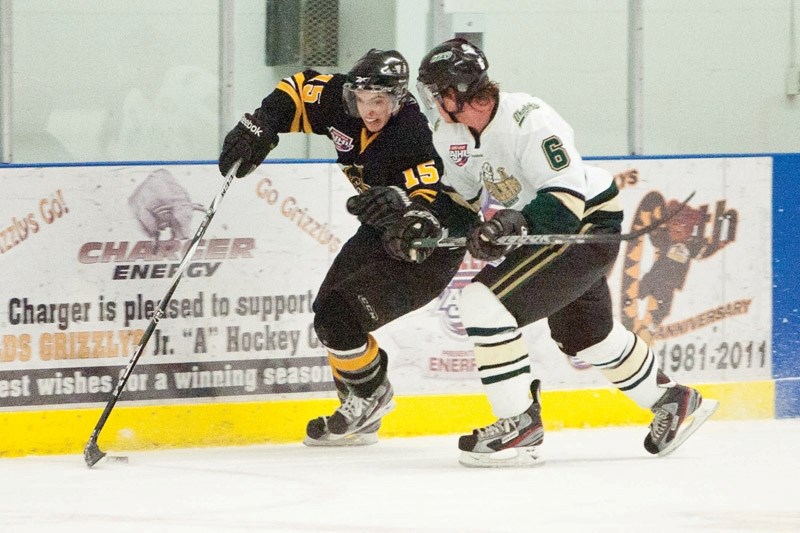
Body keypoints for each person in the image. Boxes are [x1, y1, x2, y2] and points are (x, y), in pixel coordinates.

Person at [416, 38, 718, 467]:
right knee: (585, 336)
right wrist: (423, 222)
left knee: (482, 301)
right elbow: (457, 199)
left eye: (435, 92)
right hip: (554, 225)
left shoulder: (529, 119)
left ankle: (518, 423)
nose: (432, 102)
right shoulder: (450, 133)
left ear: (458, 92)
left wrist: (509, 223)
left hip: (584, 224)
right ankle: (673, 400)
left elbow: (564, 202)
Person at [218, 49, 478, 446]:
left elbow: (425, 194)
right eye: (363, 100)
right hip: (379, 229)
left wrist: (408, 207)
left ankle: (371, 398)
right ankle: (361, 408)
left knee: (341, 318)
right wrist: (260, 126)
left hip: (426, 242)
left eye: (381, 102)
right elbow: (300, 88)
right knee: (327, 315)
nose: (371, 111)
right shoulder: (340, 101)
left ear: (399, 99)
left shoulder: (410, 131)